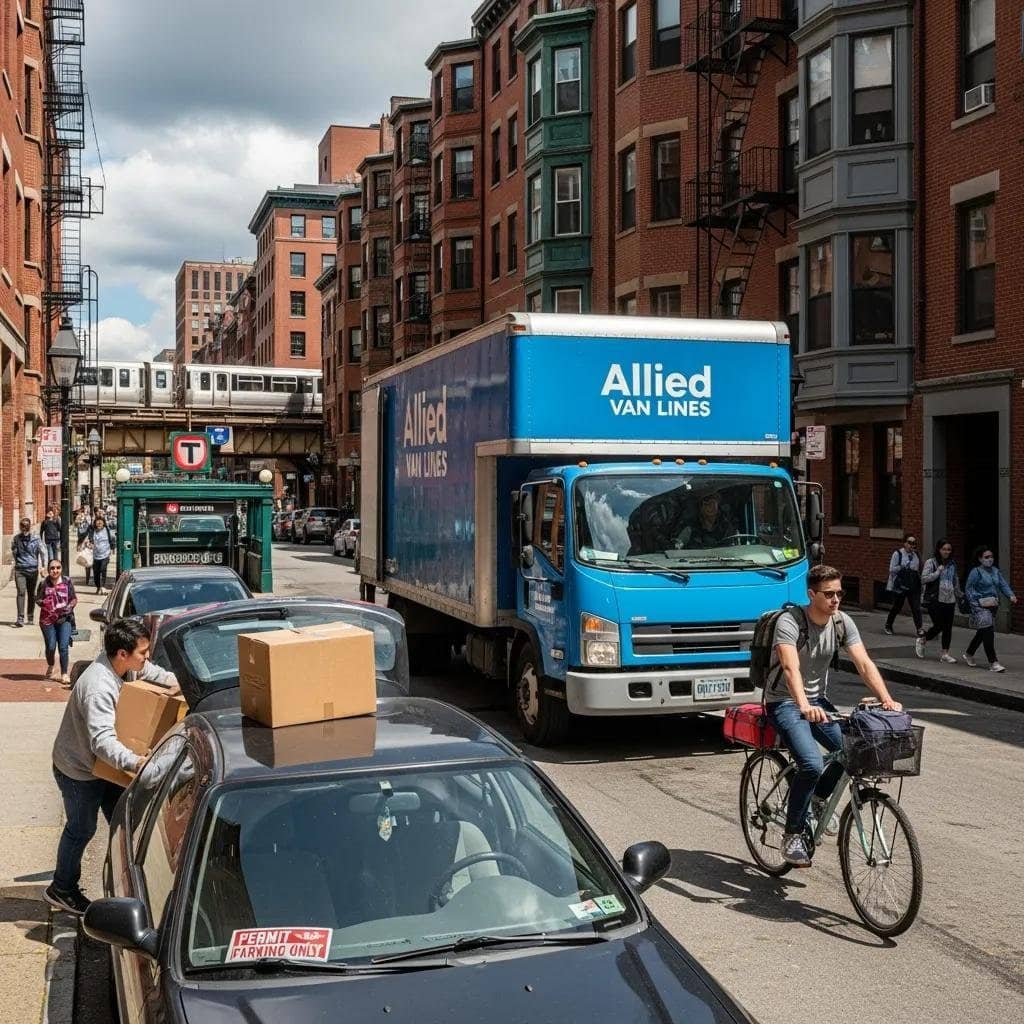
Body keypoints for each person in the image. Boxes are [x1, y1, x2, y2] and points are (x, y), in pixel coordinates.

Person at [766, 564, 902, 868]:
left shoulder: (841, 622)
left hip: (818, 701)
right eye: (829, 594)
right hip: (785, 702)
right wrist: (802, 705)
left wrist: (887, 699)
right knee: (812, 764)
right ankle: (792, 835)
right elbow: (790, 669)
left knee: (853, 751)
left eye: (840, 593)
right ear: (811, 594)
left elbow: (864, 663)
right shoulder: (790, 622)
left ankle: (815, 800)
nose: (836, 599)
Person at [46, 618, 179, 915]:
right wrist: (136, 762)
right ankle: (61, 888)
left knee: (124, 821)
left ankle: (125, 882)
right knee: (81, 829)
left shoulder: (127, 666)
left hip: (104, 768)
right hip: (78, 770)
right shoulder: (98, 686)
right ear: (122, 653)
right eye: (142, 652)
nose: (146, 658)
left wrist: (185, 686)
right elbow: (102, 742)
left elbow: (156, 674)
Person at [963, 546, 1017, 673]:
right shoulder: (975, 572)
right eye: (986, 557)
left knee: (982, 633)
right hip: (980, 606)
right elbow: (969, 589)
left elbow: (1003, 584)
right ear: (980, 559)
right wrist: (975, 605)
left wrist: (1011, 595)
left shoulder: (995, 571)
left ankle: (969, 653)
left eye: (991, 557)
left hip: (993, 606)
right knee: (988, 633)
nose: (990, 559)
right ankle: (993, 662)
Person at [918, 539, 963, 664]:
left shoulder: (952, 563)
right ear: (939, 550)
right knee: (939, 625)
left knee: (948, 627)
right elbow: (924, 579)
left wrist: (959, 593)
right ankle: (924, 638)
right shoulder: (931, 562)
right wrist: (938, 572)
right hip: (935, 598)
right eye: (944, 549)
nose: (946, 552)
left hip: (950, 599)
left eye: (949, 549)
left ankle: (945, 653)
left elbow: (955, 579)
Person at [35, 560, 78, 685]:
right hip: (47, 620)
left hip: (64, 619)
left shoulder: (67, 582)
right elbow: (37, 599)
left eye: (58, 567)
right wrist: (45, 603)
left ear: (61, 568)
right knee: (51, 646)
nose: (55, 570)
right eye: (52, 568)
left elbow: (74, 598)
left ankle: (64, 673)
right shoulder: (44, 583)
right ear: (49, 570)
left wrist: (69, 607)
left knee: (63, 647)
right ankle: (51, 664)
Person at [884, 533, 924, 637]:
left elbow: (919, 570)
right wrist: (902, 566)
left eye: (914, 543)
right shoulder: (898, 554)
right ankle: (888, 624)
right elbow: (891, 570)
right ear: (905, 543)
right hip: (901, 584)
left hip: (913, 584)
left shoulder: (916, 555)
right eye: (909, 543)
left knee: (916, 607)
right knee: (897, 606)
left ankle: (919, 629)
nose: (912, 545)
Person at [10, 517, 45, 627]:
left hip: (32, 569)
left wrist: (43, 566)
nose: (24, 528)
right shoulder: (16, 539)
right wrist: (16, 563)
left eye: (26, 526)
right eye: (22, 526)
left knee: (31, 594)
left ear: (29, 527)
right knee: (21, 592)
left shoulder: (36, 539)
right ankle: (20, 618)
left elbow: (43, 552)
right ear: (20, 527)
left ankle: (30, 617)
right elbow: (14, 551)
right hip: (20, 569)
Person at [85, 513, 115, 595]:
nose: (99, 524)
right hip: (95, 555)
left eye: (100, 523)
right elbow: (89, 540)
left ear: (103, 523)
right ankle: (98, 587)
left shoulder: (107, 530)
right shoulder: (92, 531)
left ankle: (103, 586)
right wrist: (89, 544)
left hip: (105, 554)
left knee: (103, 569)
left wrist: (113, 548)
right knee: (96, 572)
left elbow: (112, 539)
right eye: (97, 523)